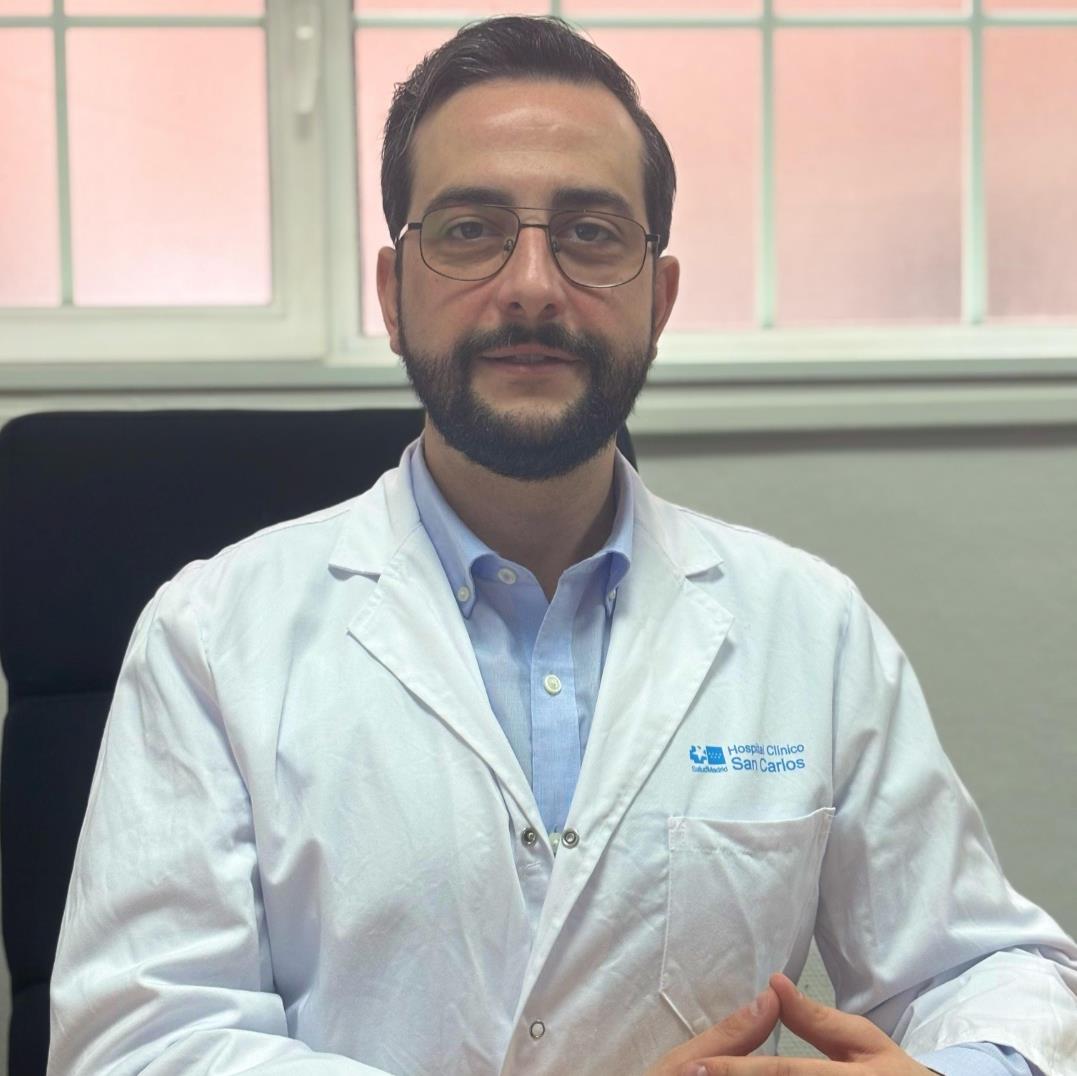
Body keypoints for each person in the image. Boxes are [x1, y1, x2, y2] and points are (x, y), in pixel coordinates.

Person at [48, 15, 1076, 1076]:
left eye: (588, 232)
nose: (532, 282)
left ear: (658, 298)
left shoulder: (809, 627)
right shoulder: (212, 634)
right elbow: (141, 1044)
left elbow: (983, 960)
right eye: (469, 229)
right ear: (394, 296)